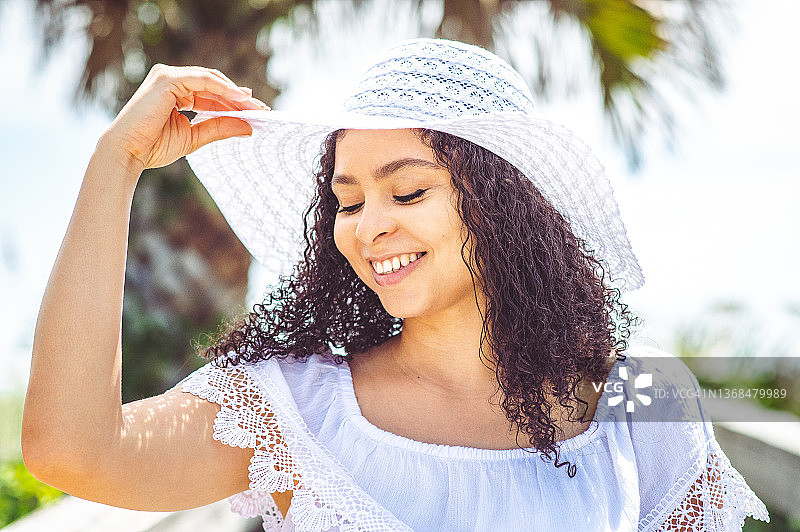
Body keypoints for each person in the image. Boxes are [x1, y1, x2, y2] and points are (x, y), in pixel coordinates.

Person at [22, 39, 768, 531]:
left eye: (407, 193)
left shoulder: (641, 403)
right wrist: (114, 163)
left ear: (508, 208)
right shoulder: (292, 408)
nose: (367, 227)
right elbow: (72, 450)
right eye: (347, 201)